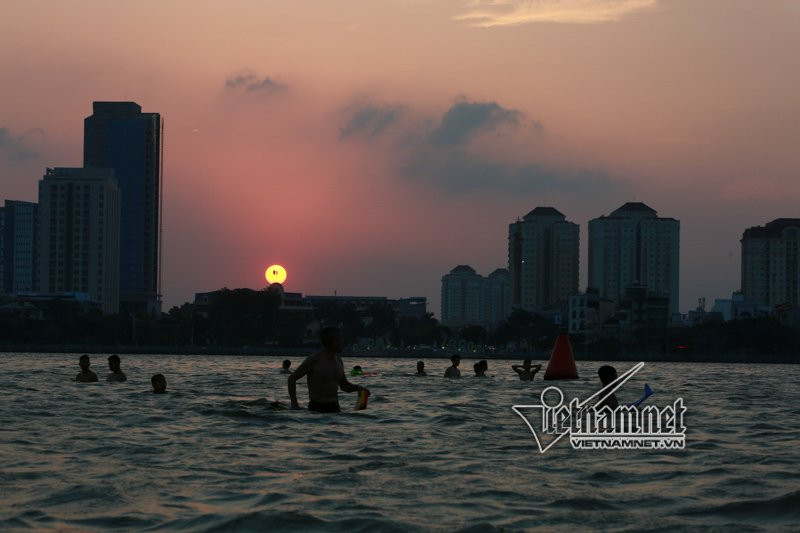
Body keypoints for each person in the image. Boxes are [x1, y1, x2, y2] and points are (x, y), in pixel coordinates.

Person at [288, 326, 369, 413]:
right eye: (339, 339)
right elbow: (292, 378)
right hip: (316, 409)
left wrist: (359, 388)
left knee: (360, 412)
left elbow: (345, 386)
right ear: (331, 341)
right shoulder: (314, 360)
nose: (342, 341)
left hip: (335, 408)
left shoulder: (338, 360)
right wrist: (294, 405)